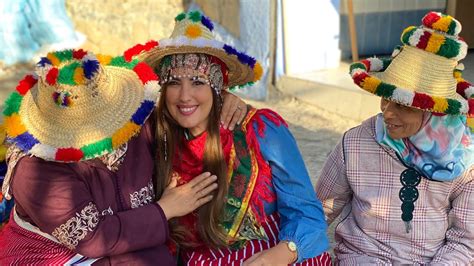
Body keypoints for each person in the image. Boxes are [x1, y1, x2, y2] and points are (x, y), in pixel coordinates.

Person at [0, 48, 245, 264]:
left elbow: (182, 110)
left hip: (125, 244)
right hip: (56, 255)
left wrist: (220, 100)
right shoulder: (36, 170)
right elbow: (93, 239)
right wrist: (164, 210)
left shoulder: (132, 127)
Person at [138, 11, 331, 265]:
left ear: (218, 87)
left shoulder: (260, 130)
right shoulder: (156, 136)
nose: (184, 96)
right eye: (174, 82)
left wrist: (276, 256)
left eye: (198, 81)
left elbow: (306, 213)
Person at [315, 12, 474, 264]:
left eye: (404, 106)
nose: (387, 112)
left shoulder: (464, 161)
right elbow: (318, 211)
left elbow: (465, 242)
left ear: (434, 111)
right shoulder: (355, 143)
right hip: (360, 258)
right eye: (386, 98)